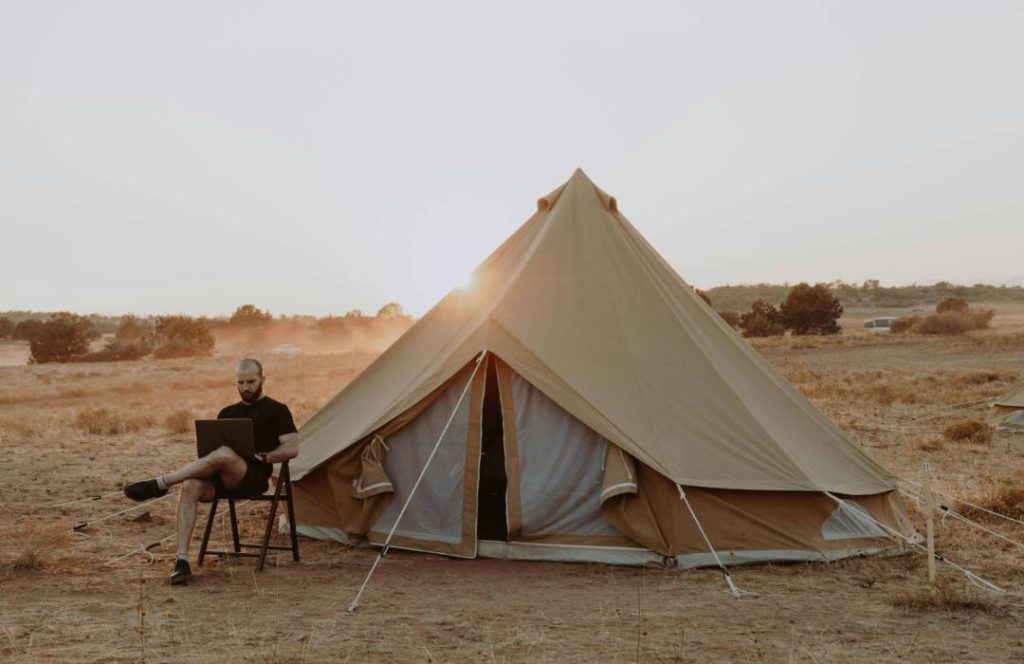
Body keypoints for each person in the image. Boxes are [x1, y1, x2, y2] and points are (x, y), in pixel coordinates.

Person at [123, 358, 299, 585]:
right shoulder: (227, 412)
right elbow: (211, 454)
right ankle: (182, 561)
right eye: (241, 382)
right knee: (190, 485)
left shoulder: (278, 410)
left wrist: (266, 457)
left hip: (253, 478)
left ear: (262, 379)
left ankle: (163, 482)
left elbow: (292, 448)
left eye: (251, 382)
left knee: (225, 453)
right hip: (222, 478)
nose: (246, 387)